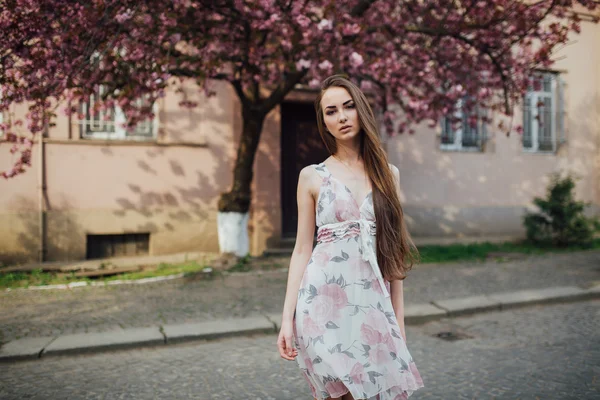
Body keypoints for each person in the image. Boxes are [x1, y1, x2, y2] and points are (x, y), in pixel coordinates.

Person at [276, 75, 425, 400]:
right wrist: (287, 319)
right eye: (331, 111)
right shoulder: (312, 176)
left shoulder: (389, 174)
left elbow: (393, 256)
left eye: (348, 107)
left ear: (361, 111)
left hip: (372, 308)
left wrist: (398, 324)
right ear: (324, 122)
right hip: (321, 309)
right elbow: (302, 250)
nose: (341, 116)